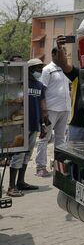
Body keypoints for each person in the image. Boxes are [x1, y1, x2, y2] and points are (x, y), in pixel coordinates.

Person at [6, 59, 47, 196]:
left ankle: (21, 182)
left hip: (34, 124)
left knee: (27, 155)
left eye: (41, 68)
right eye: (37, 68)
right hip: (22, 125)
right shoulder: (22, 83)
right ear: (29, 69)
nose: (40, 71)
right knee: (18, 155)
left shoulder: (40, 85)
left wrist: (43, 125)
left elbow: (42, 106)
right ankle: (11, 187)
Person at [36, 46, 73, 177]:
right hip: (51, 109)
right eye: (62, 54)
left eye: (65, 54)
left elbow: (69, 88)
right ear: (54, 55)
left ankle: (59, 167)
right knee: (44, 138)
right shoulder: (47, 70)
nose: (64, 56)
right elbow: (42, 91)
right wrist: (44, 110)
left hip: (65, 108)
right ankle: (40, 167)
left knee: (61, 139)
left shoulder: (66, 70)